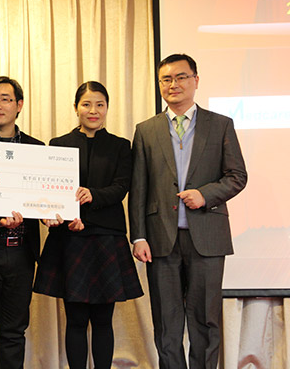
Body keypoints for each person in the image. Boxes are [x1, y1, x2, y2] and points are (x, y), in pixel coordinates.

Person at [129, 54, 247, 369]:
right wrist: (138, 236)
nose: (174, 84)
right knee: (166, 322)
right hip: (160, 240)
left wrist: (205, 195)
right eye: (166, 79)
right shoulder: (146, 130)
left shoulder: (220, 124)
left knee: (205, 320)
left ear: (195, 80)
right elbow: (139, 188)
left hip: (207, 237)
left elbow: (237, 176)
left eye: (181, 77)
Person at [34, 81, 143, 369]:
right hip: (69, 238)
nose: (93, 110)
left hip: (107, 238)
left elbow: (121, 187)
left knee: (104, 320)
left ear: (107, 108)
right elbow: (52, 191)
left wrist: (92, 196)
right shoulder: (58, 145)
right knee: (76, 319)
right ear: (76, 108)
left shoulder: (120, 146)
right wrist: (68, 218)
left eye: (99, 104)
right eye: (86, 104)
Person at [0, 76, 44, 369]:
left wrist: (51, 212)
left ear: (19, 105)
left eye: (4, 99)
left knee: (14, 332)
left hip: (21, 252)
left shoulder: (37, 149)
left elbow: (44, 197)